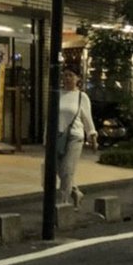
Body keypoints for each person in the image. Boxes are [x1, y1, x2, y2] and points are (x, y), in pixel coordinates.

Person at [56, 70, 98, 207]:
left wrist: (92, 136)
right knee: (59, 170)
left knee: (68, 169)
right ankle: (75, 192)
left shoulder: (82, 96)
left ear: (77, 78)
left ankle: (64, 203)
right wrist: (46, 137)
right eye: (65, 75)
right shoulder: (57, 94)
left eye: (71, 75)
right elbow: (51, 118)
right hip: (58, 136)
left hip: (75, 136)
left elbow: (88, 118)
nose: (67, 78)